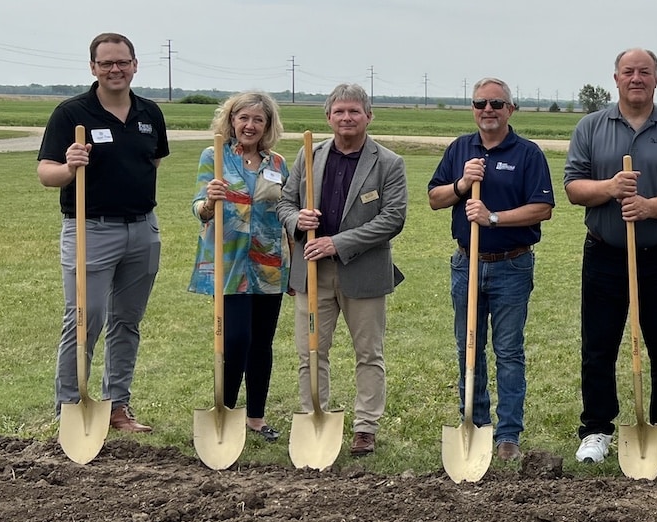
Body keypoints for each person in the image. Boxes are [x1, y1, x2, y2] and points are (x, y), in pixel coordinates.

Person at [564, 48, 657, 465]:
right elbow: (573, 188)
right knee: (599, 345)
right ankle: (597, 429)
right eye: (629, 71)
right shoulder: (591, 127)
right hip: (605, 255)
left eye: (645, 71)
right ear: (616, 78)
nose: (636, 78)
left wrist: (648, 207)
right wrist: (609, 188)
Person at [37, 32, 169, 433]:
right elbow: (46, 174)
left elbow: (154, 163)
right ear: (93, 67)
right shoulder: (71, 114)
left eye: (122, 62)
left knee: (127, 322)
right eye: (107, 63)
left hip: (142, 230)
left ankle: (117, 406)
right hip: (90, 229)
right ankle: (70, 407)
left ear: (134, 64)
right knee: (85, 317)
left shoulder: (150, 114)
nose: (116, 69)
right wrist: (70, 167)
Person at [428, 79, 555, 462]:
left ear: (510, 109)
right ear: (473, 108)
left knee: (508, 351)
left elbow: (542, 208)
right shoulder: (459, 149)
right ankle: (475, 423)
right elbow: (435, 198)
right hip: (466, 263)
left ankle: (508, 435)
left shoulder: (528, 154)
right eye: (481, 102)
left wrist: (493, 217)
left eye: (497, 103)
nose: (488, 109)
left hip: (511, 265)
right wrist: (463, 183)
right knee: (468, 347)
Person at [277, 84, 408, 457]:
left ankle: (365, 427)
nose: (346, 118)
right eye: (339, 112)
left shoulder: (388, 163)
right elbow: (285, 203)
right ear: (328, 117)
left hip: (362, 272)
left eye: (354, 111)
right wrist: (297, 220)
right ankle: (313, 415)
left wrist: (339, 242)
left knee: (368, 353)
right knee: (311, 351)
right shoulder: (309, 156)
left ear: (369, 116)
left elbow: (393, 218)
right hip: (312, 273)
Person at [189, 91, 290, 442]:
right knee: (235, 340)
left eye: (257, 120)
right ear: (231, 121)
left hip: (269, 264)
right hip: (229, 262)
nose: (249, 126)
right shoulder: (214, 157)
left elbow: (286, 211)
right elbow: (197, 205)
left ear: (267, 126)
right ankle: (226, 414)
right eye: (243, 118)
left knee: (262, 343)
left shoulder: (277, 164)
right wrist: (208, 203)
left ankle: (257, 419)